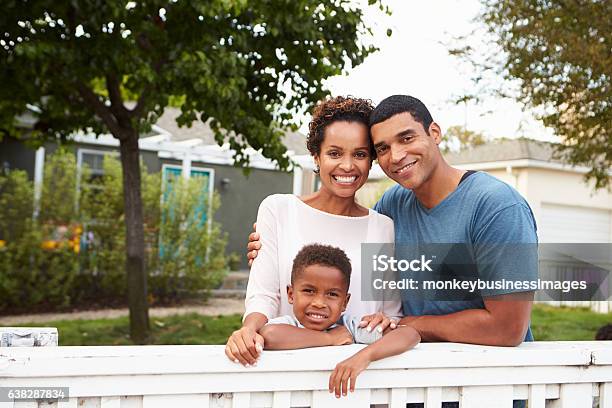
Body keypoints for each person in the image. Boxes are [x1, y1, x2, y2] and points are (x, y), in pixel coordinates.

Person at [248, 94, 537, 346]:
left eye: (407, 138)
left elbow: (508, 329)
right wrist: (271, 248)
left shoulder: (498, 206)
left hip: (487, 382)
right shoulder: (393, 207)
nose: (396, 155)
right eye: (383, 148)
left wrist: (412, 324)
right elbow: (344, 240)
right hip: (411, 382)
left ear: (434, 132)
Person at [225, 96, 402, 367]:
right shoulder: (278, 210)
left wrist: (386, 321)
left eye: (360, 154)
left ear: (370, 161)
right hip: (287, 368)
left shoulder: (382, 227)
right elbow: (264, 294)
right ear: (316, 157)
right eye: (334, 153)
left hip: (358, 375)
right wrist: (249, 329)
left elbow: (391, 313)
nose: (347, 166)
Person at [261, 243, 420, 398]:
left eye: (332, 294)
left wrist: (363, 357)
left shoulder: (349, 328)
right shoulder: (289, 325)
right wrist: (329, 338)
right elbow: (270, 335)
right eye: (309, 291)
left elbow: (409, 334)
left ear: (345, 302)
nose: (319, 303)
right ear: (290, 294)